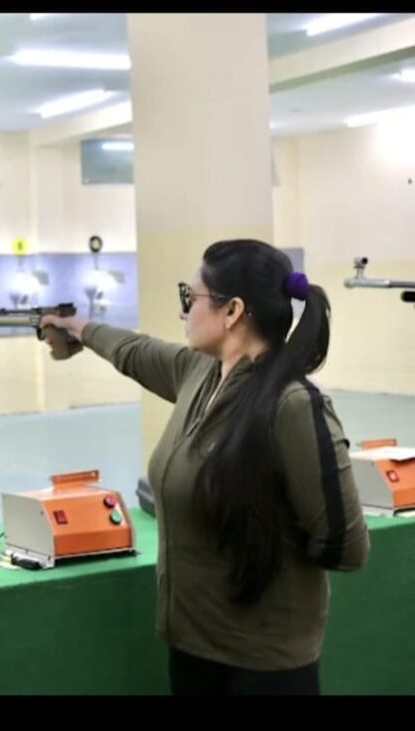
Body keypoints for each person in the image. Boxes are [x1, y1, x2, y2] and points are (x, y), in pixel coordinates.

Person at [39, 239, 370, 695]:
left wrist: (265, 542)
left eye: (188, 297)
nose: (182, 312)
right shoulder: (200, 373)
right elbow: (134, 350)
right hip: (194, 650)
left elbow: (346, 546)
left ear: (232, 311)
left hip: (263, 667)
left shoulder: (292, 405)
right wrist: (77, 327)